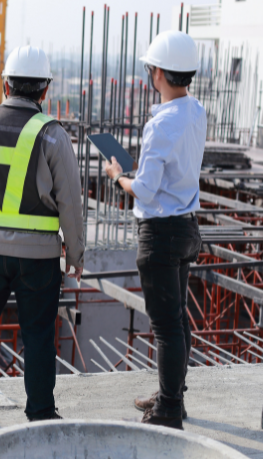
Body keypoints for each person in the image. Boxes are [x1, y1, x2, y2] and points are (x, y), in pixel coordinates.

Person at [0, 46, 85, 423]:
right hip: (38, 258)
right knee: (38, 335)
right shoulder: (52, 134)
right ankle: (40, 412)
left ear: (5, 84)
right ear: (45, 89)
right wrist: (76, 255)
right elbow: (70, 202)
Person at [103, 30, 205, 430]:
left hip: (161, 232)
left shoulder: (160, 124)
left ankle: (169, 410)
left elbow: (144, 190)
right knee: (178, 320)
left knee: (166, 327)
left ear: (158, 72)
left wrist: (118, 175)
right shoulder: (196, 111)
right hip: (187, 227)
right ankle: (170, 396)